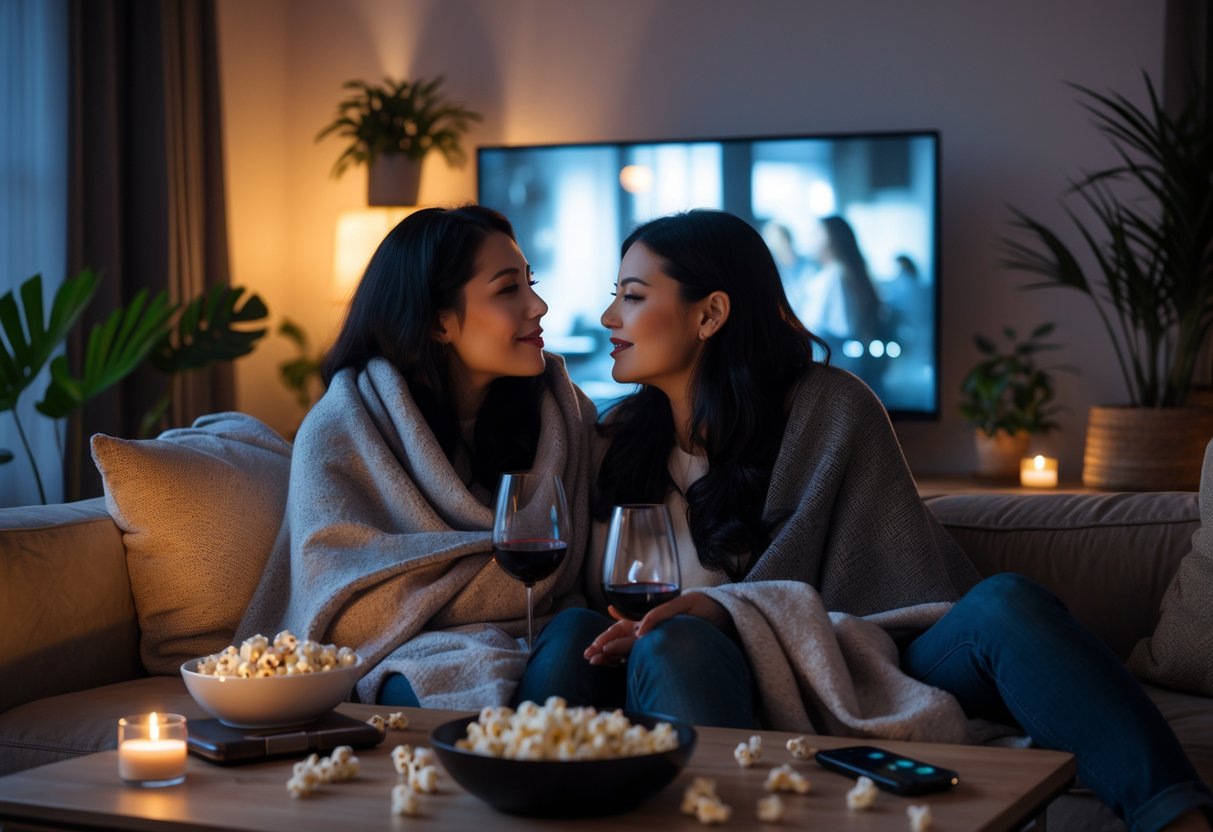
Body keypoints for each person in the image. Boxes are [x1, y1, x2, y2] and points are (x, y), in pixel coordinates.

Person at [517, 210, 1212, 832]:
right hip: (696, 678)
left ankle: (1179, 821)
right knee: (676, 642)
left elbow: (893, 594)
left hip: (850, 655)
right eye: (615, 296)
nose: (609, 318)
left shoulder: (827, 408)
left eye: (632, 297)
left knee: (1007, 602)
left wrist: (730, 608)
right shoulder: (607, 439)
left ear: (710, 314)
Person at [238, 205, 596, 710]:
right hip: (405, 651)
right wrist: (482, 596)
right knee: (418, 686)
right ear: (438, 324)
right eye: (508, 289)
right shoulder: (345, 427)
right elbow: (342, 600)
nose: (538, 306)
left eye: (530, 283)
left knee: (581, 633)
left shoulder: (562, 415)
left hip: (548, 637)